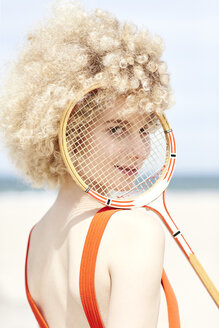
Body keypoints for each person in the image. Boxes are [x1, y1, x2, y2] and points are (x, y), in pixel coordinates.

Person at [0, 1, 179, 327]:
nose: (139, 150)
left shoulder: (37, 237)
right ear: (67, 131)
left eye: (144, 130)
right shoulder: (135, 231)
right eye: (117, 129)